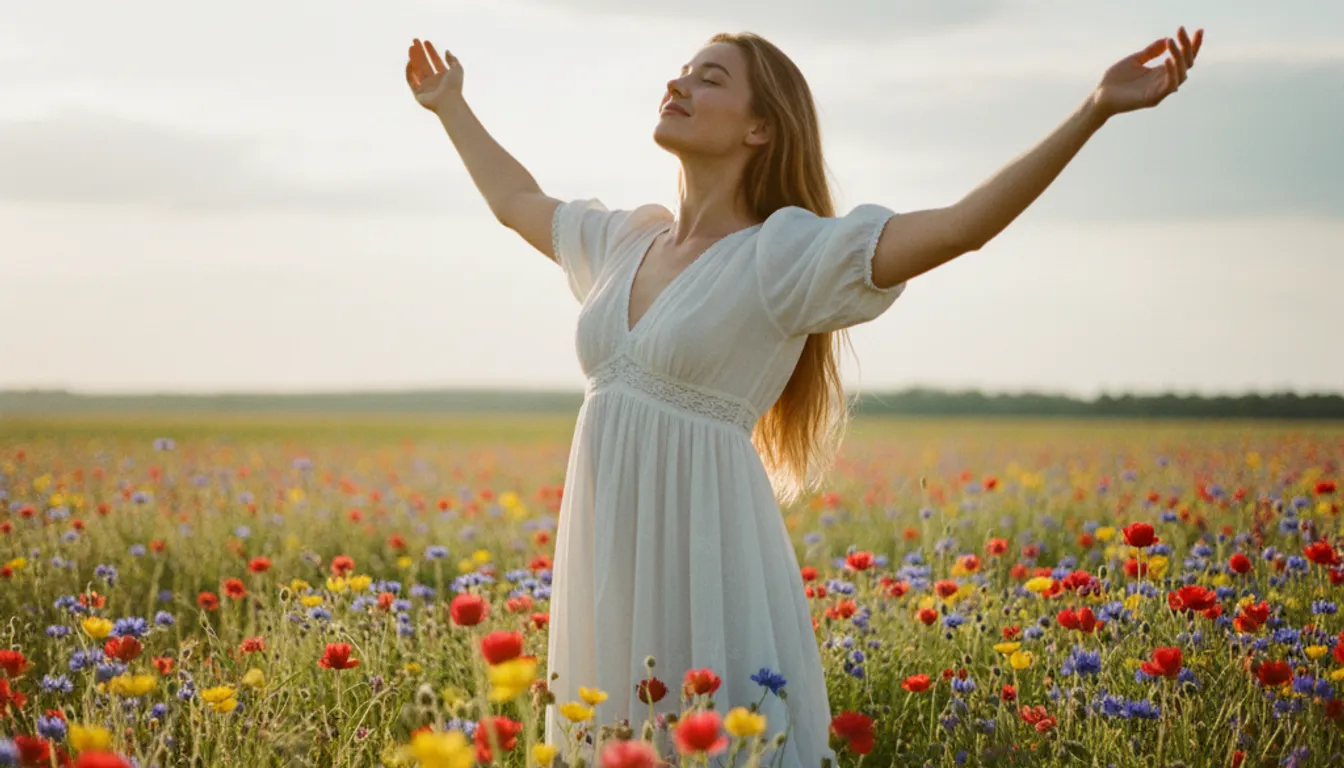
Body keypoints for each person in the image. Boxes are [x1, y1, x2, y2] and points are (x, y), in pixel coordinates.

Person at [405, 25, 1202, 765]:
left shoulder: (781, 253)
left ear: (760, 128)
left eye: (708, 79)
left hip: (707, 548)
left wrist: (1094, 109)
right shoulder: (624, 239)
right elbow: (516, 203)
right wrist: (451, 107)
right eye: (680, 72)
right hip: (608, 548)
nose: (677, 84)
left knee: (715, 734)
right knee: (610, 723)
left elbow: (961, 226)